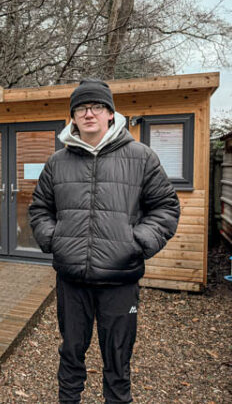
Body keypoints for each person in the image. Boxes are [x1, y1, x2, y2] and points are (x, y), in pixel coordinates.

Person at [29, 78, 180, 403]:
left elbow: (166, 207)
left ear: (111, 113)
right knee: (70, 356)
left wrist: (136, 242)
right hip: (72, 282)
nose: (88, 113)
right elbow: (40, 208)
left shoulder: (141, 157)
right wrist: (54, 238)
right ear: (72, 117)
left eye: (96, 106)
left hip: (120, 281)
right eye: (81, 108)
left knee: (117, 362)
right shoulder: (57, 162)